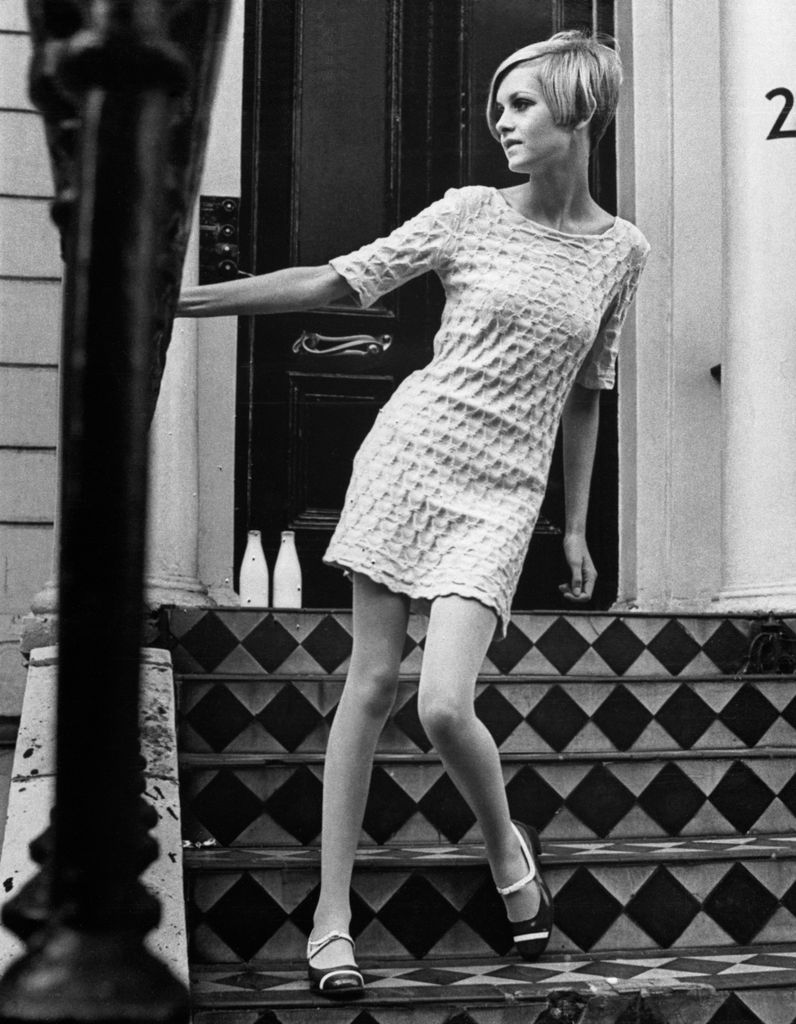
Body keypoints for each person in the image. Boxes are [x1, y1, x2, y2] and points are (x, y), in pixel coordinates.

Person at [178, 29, 650, 1000]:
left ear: (581, 109)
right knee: (371, 679)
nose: (501, 122)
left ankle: (506, 853)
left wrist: (571, 526)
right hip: (412, 455)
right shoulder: (469, 213)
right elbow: (334, 280)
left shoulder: (622, 251)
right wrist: (181, 300)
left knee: (442, 703)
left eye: (522, 104)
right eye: (498, 107)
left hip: (503, 491)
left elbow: (589, 389)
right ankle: (331, 918)